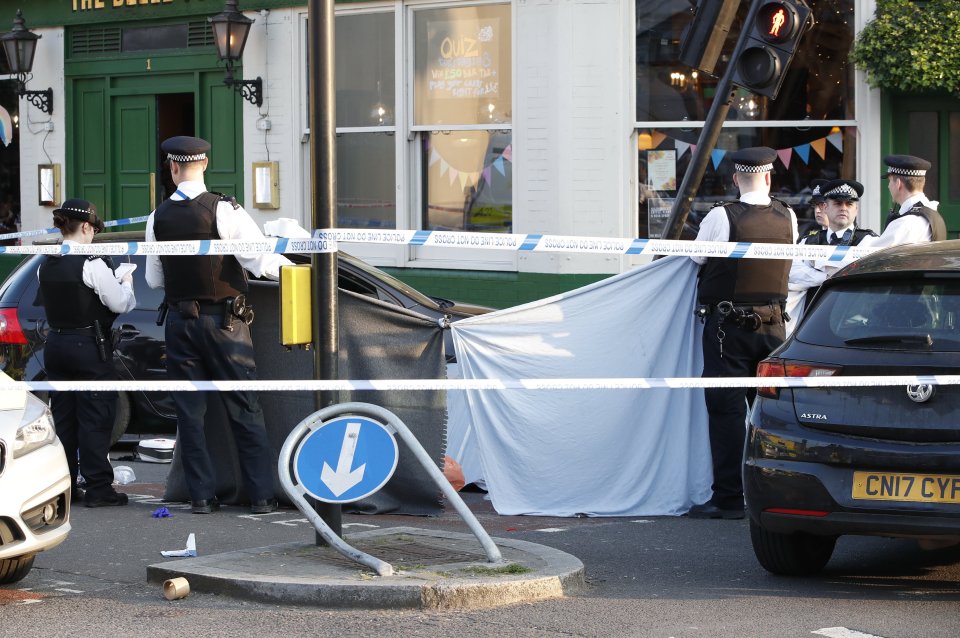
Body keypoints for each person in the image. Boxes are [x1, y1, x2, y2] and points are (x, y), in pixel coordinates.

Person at [145, 136, 292, 515]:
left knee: (190, 416)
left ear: (172, 168)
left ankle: (200, 498)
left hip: (180, 325)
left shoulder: (156, 217)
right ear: (205, 164)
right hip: (225, 324)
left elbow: (154, 280)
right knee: (244, 408)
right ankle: (260, 496)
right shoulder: (224, 209)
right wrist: (299, 272)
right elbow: (258, 260)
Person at [687, 147, 798, 520]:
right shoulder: (788, 215)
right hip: (774, 327)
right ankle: (776, 493)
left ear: (736, 178)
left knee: (726, 412)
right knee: (770, 413)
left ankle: (729, 498)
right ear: (769, 176)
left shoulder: (722, 216)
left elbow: (697, 259)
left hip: (728, 329)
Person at [38, 199, 136, 507]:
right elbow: (119, 304)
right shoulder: (91, 262)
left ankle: (64, 488)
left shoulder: (46, 262)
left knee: (64, 420)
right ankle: (98, 488)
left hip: (55, 345)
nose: (94, 234)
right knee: (95, 418)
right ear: (84, 227)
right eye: (93, 229)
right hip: (88, 347)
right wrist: (127, 282)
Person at [787, 179, 878, 327]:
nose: (843, 208)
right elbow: (793, 273)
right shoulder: (808, 242)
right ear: (825, 207)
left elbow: (858, 274)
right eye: (837, 203)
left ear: (856, 210)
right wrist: (826, 275)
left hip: (853, 325)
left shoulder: (868, 241)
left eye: (849, 204)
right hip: (810, 324)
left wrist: (814, 265)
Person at [860, 154, 947, 248]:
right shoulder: (932, 213)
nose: (888, 186)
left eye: (890, 181)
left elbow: (871, 253)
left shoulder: (906, 224)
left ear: (898, 184)